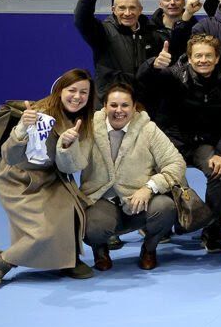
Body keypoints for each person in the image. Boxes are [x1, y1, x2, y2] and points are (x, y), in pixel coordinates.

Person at [0, 69, 97, 291]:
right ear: (60, 90)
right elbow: (10, 156)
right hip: (17, 178)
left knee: (70, 211)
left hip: (52, 176)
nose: (77, 97)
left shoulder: (84, 122)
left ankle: (67, 260)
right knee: (42, 231)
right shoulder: (38, 114)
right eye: (72, 90)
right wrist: (22, 129)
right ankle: (3, 262)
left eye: (84, 92)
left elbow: (70, 166)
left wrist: (68, 146)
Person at [137, 33, 221, 253]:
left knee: (219, 171)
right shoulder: (173, 75)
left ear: (216, 58)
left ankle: (212, 229)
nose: (203, 60)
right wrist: (152, 66)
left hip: (204, 144)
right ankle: (164, 226)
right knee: (172, 178)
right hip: (172, 141)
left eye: (208, 56)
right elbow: (144, 83)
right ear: (189, 57)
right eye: (198, 56)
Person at [79, 83, 185, 272]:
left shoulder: (149, 129)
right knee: (91, 228)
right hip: (101, 200)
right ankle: (100, 249)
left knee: (166, 208)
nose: (119, 110)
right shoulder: (88, 127)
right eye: (113, 105)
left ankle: (149, 249)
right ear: (104, 106)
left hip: (139, 200)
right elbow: (70, 163)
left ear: (134, 106)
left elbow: (176, 163)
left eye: (125, 105)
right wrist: (65, 146)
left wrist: (149, 188)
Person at [75, 0, 167, 97]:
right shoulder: (103, 32)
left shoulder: (152, 34)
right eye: (122, 8)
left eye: (132, 8)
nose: (127, 13)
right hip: (110, 103)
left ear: (140, 10)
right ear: (114, 10)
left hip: (142, 106)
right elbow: (82, 20)